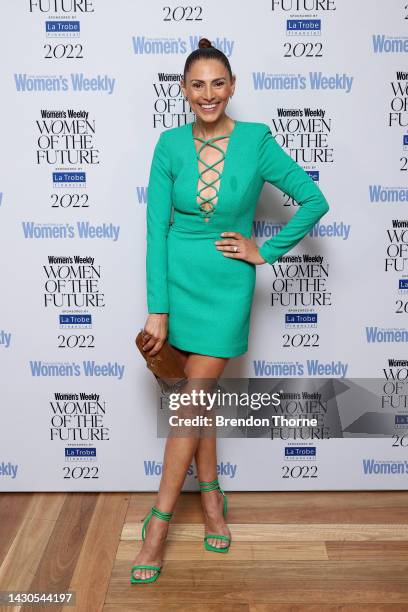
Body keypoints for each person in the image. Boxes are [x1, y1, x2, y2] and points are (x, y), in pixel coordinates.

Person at [130, 37, 330, 584]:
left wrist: (262, 250)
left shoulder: (258, 141)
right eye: (198, 84)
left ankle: (158, 523)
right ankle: (212, 493)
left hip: (227, 285)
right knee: (201, 398)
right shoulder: (168, 144)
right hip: (178, 277)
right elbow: (154, 229)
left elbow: (314, 199)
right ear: (184, 91)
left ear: (233, 87)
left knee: (192, 399)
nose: (209, 93)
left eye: (219, 83)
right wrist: (158, 309)